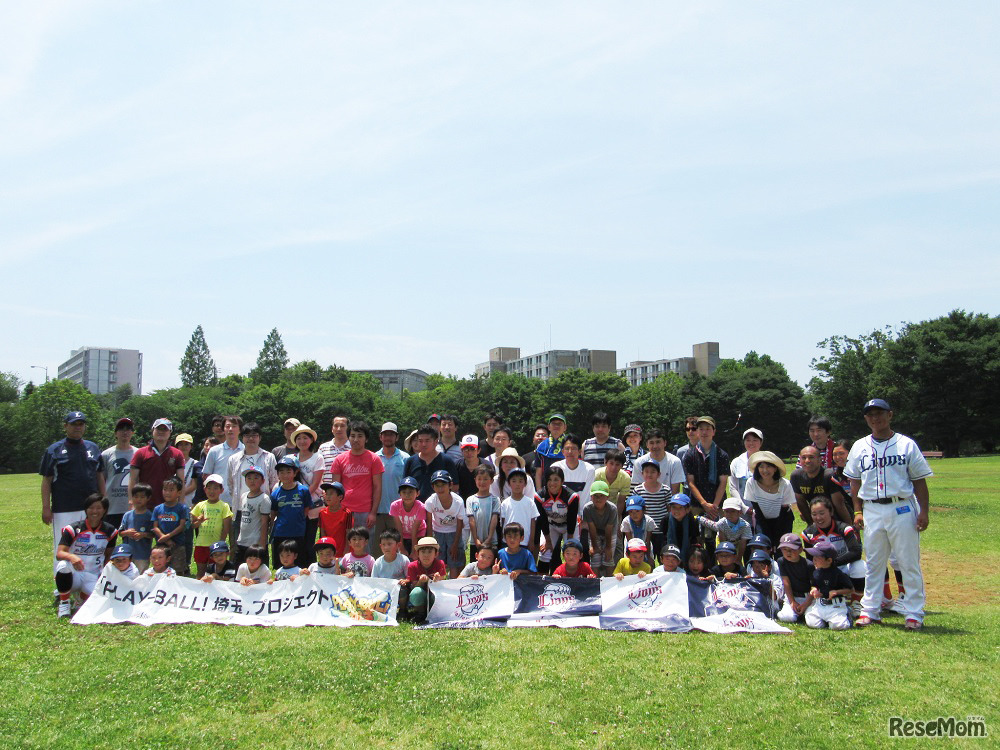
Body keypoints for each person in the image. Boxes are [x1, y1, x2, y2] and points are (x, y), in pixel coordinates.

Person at [845, 398, 932, 631]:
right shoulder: (859, 446)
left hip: (901, 506)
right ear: (866, 418)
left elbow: (919, 481)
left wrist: (924, 511)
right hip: (872, 508)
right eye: (870, 414)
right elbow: (854, 481)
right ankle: (870, 610)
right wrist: (857, 510)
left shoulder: (906, 445)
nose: (875, 418)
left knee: (907, 561)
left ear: (890, 415)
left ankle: (914, 612)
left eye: (879, 413)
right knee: (874, 562)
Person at [41, 410, 104, 574]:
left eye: (81, 424)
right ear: (65, 426)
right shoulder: (54, 450)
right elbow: (46, 481)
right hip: (64, 508)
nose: (78, 427)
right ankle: (63, 582)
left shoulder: (93, 448)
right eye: (73, 424)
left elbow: (99, 476)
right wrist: (46, 508)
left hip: (91, 507)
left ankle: (86, 580)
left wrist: (103, 502)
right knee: (64, 546)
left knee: (88, 545)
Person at [54, 494, 117, 617]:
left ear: (104, 510)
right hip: (74, 574)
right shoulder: (73, 528)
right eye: (91, 508)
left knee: (101, 603)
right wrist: (72, 557)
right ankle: (64, 603)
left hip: (93, 575)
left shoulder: (110, 531)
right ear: (86, 509)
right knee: (63, 565)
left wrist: (104, 577)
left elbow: (108, 556)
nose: (95, 511)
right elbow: (60, 553)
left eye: (99, 508)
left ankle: (81, 598)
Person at [801, 496, 864, 615]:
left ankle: (856, 602)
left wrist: (833, 563)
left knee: (860, 566)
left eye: (822, 513)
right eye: (814, 514)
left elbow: (856, 552)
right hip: (823, 569)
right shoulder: (808, 533)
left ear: (831, 512)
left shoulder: (844, 528)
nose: (818, 517)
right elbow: (810, 559)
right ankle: (822, 598)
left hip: (842, 567)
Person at [330, 420, 385, 554]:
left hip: (365, 511)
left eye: (360, 436)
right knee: (344, 547)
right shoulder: (339, 459)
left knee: (365, 548)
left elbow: (377, 487)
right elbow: (335, 488)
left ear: (366, 439)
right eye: (353, 436)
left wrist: (373, 512)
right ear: (348, 437)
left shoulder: (374, 459)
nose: (356, 439)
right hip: (344, 511)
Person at [682, 416, 731, 554]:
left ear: (714, 431)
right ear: (697, 432)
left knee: (720, 539)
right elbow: (690, 482)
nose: (704, 432)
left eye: (708, 429)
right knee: (697, 541)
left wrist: (713, 506)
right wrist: (704, 504)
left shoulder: (722, 455)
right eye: (701, 429)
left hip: (718, 504)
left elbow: (723, 482)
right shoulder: (689, 455)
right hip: (697, 504)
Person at [225, 422, 277, 546]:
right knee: (238, 546)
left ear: (260, 437)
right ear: (242, 438)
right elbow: (230, 484)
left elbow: (274, 482)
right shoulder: (233, 459)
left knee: (260, 545)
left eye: (254, 435)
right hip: (240, 508)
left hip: (261, 510)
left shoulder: (269, 457)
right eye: (247, 435)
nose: (251, 438)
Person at [129, 418, 185, 508]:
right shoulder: (140, 453)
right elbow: (133, 480)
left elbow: (181, 481)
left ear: (170, 432)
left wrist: (181, 503)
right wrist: (132, 502)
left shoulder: (177, 454)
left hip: (169, 505)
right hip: (144, 505)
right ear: (152, 430)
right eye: (158, 428)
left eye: (165, 429)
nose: (161, 432)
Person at [533, 466, 580, 575]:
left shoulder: (572, 496)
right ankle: (542, 580)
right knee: (545, 553)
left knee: (572, 552)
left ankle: (574, 580)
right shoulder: (539, 496)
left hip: (570, 526)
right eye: (549, 480)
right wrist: (548, 541)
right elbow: (542, 519)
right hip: (551, 525)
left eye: (556, 480)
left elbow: (572, 519)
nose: (552, 483)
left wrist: (569, 542)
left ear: (562, 481)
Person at [742, 451, 796, 544]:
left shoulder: (785, 484)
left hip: (783, 519)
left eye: (768, 466)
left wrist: (776, 535)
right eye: (761, 466)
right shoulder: (751, 483)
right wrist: (767, 532)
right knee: (764, 545)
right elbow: (757, 509)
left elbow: (784, 509)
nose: (765, 470)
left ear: (775, 468)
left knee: (780, 546)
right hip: (761, 518)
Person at [269, 456, 312, 569]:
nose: (285, 475)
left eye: (288, 472)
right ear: (278, 475)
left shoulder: (303, 490)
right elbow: (274, 513)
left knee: (299, 563)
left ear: (295, 473)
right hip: (280, 533)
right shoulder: (275, 493)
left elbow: (306, 509)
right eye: (281, 472)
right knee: (281, 564)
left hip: (298, 532)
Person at [790, 445, 851, 524]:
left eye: (811, 457)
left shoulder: (829, 476)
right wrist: (811, 526)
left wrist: (848, 526)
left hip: (837, 516)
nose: (807, 461)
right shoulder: (796, 476)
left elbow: (839, 505)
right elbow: (801, 503)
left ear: (820, 460)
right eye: (803, 458)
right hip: (818, 516)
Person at [290, 425, 324, 566]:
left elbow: (315, 484)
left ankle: (311, 568)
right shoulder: (292, 458)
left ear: (311, 440)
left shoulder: (317, 457)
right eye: (299, 438)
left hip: (313, 505)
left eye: (305, 438)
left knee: (310, 541)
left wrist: (301, 499)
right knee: (298, 541)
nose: (302, 441)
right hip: (296, 506)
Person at [800, 541, 853, 630]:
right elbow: (815, 585)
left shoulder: (838, 574)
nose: (814, 559)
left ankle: (846, 614)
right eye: (814, 556)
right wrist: (814, 590)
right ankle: (826, 620)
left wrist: (836, 592)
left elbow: (851, 589)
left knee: (838, 626)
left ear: (829, 560)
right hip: (820, 605)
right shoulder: (816, 572)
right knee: (812, 623)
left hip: (836, 605)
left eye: (817, 557)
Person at [423, 469, 466, 578]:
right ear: (433, 487)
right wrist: (430, 542)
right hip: (438, 532)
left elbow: (460, 523)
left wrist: (455, 544)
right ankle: (439, 583)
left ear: (450, 485)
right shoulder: (431, 501)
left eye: (443, 485)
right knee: (438, 560)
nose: (440, 488)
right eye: (437, 486)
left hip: (454, 532)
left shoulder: (458, 501)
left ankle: (454, 584)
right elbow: (429, 522)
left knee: (454, 561)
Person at [190, 474, 233, 577]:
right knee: (200, 571)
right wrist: (199, 521)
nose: (211, 491)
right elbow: (192, 526)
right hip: (201, 544)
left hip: (215, 545)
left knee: (214, 572)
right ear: (205, 489)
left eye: (215, 488)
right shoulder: (200, 505)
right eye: (209, 488)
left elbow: (226, 527)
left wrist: (221, 542)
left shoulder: (224, 506)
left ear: (221, 490)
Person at [374, 422, 409, 545]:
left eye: (391, 435)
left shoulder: (405, 458)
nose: (388, 437)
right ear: (380, 437)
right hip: (378, 511)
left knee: (397, 545)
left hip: (398, 512)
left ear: (397, 437)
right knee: (377, 548)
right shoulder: (374, 458)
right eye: (385, 434)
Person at [403, 425, 458, 501]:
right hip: (416, 506)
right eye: (420, 441)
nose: (423, 444)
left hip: (440, 506)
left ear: (436, 442)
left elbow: (455, 486)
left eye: (427, 441)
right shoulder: (410, 461)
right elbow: (405, 487)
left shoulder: (446, 461)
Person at [201, 415, 244, 510]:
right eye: (227, 426)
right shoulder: (214, 451)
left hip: (241, 501)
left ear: (240, 430)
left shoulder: (246, 451)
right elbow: (206, 475)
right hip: (218, 502)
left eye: (234, 426)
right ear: (223, 429)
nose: (230, 429)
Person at [100, 417, 136, 528]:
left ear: (132, 433)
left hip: (132, 506)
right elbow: (101, 479)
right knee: (109, 537)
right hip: (112, 506)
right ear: (115, 433)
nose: (125, 432)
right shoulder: (106, 454)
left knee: (131, 537)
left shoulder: (139, 453)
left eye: (128, 429)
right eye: (121, 429)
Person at [631, 460, 672, 557]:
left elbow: (669, 509)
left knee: (663, 555)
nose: (649, 474)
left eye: (653, 472)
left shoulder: (665, 490)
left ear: (659, 474)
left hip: (661, 530)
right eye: (646, 471)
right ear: (642, 473)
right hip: (645, 529)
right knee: (646, 556)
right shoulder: (638, 490)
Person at [498, 467, 539, 559]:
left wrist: (531, 540)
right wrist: (503, 539)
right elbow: (503, 522)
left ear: (525, 484)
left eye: (520, 481)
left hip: (524, 541)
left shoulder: (530, 502)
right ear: (509, 483)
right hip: (508, 541)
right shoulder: (505, 503)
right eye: (514, 481)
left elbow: (533, 522)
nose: (517, 484)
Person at [152, 476, 190, 575]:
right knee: (160, 570)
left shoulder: (182, 508)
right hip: (161, 546)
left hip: (177, 545)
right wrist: (164, 538)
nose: (167, 492)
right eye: (165, 489)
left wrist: (168, 536)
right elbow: (155, 527)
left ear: (179, 493)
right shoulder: (157, 509)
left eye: (171, 490)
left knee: (177, 572)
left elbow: (182, 526)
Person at [630, 428, 684, 495]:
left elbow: (675, 492)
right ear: (647, 445)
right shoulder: (639, 463)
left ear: (665, 443)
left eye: (658, 442)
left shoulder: (675, 462)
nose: (655, 446)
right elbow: (637, 490)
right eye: (651, 443)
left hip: (667, 499)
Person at [235, 467, 271, 565]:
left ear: (263, 481)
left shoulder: (264, 498)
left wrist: (262, 546)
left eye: (256, 478)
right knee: (240, 569)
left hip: (255, 543)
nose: (252, 481)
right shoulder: (244, 496)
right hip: (242, 541)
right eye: (249, 478)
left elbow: (264, 523)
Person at [404, 537, 446, 620]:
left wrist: (437, 580)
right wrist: (421, 582)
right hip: (421, 593)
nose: (426, 555)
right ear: (418, 554)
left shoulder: (440, 564)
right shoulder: (412, 566)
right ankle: (421, 613)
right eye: (423, 552)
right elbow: (413, 587)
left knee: (438, 594)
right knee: (416, 593)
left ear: (436, 554)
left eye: (430, 552)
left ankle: (434, 613)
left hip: (434, 593)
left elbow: (442, 585)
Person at [582, 481, 618, 577]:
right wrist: (594, 546)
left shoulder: (612, 509)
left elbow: (609, 529)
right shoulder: (587, 508)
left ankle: (609, 581)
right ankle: (596, 581)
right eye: (595, 496)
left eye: (602, 496)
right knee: (595, 558)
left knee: (608, 559)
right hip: (595, 533)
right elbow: (591, 528)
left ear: (607, 497)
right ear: (591, 496)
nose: (598, 499)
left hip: (610, 533)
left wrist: (608, 548)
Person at [465, 465, 500, 563]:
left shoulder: (495, 500)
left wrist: (489, 538)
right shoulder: (470, 500)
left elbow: (494, 519)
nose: (482, 482)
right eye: (479, 479)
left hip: (491, 540)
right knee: (475, 565)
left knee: (491, 564)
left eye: (485, 479)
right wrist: (476, 539)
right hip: (475, 541)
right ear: (475, 480)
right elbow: (471, 520)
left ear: (491, 481)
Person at [776, 533, 812, 623]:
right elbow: (786, 582)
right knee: (786, 617)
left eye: (792, 549)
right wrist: (792, 601)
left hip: (808, 597)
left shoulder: (809, 565)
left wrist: (806, 604)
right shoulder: (781, 561)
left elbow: (814, 586)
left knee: (812, 621)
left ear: (800, 549)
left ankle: (805, 613)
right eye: (784, 549)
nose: (788, 552)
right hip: (792, 596)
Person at [725, 427, 764, 511]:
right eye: (748, 440)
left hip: (765, 508)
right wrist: (744, 508)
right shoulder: (736, 462)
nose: (751, 443)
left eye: (755, 440)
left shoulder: (768, 461)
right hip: (743, 510)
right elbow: (733, 488)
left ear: (761, 442)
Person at [118, 483, 154, 572]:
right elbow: (120, 533)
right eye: (136, 496)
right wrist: (127, 533)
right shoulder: (127, 515)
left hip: (142, 554)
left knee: (141, 575)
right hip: (127, 554)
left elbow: (153, 534)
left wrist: (143, 534)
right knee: (127, 574)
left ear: (148, 498)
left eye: (142, 497)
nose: (138, 499)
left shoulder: (150, 516)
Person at [390, 477, 427, 557]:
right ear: (400, 494)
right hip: (403, 534)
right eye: (404, 492)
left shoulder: (421, 507)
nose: (407, 495)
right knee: (402, 556)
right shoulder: (395, 506)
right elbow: (399, 528)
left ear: (417, 493)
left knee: (418, 556)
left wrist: (414, 549)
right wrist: (401, 548)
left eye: (411, 492)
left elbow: (415, 530)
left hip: (419, 533)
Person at [533, 413, 568, 489]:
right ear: (549, 427)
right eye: (554, 424)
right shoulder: (542, 446)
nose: (556, 426)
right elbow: (538, 473)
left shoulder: (570, 444)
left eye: (559, 424)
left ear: (565, 427)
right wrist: (539, 491)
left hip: (566, 487)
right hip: (546, 487)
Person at [620, 495, 656, 565]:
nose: (634, 514)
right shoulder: (626, 521)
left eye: (637, 511)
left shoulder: (649, 521)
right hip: (630, 546)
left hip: (645, 544)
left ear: (643, 510)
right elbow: (630, 541)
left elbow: (648, 541)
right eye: (631, 512)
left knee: (648, 564)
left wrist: (648, 556)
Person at [664, 493, 700, 564]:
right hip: (670, 551)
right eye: (674, 507)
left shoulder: (692, 520)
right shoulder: (666, 519)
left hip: (688, 551)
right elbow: (663, 539)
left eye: (680, 508)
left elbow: (695, 539)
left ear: (688, 509)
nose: (676, 511)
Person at [318, 415, 351, 485]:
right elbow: (318, 471)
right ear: (332, 429)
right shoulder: (323, 448)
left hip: (348, 489)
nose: (339, 429)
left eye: (342, 426)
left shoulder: (353, 448)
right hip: (326, 490)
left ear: (348, 428)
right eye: (336, 426)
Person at [455, 435, 485, 500]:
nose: (469, 452)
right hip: (460, 503)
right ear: (461, 450)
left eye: (472, 449)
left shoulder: (486, 466)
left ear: (478, 450)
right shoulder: (456, 465)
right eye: (466, 449)